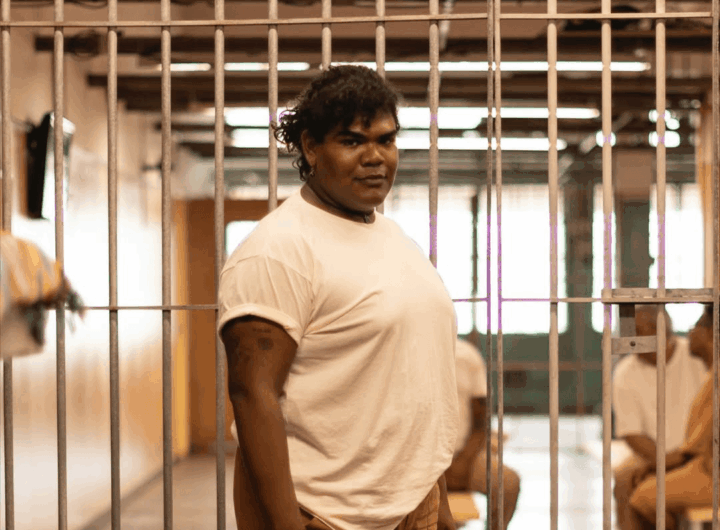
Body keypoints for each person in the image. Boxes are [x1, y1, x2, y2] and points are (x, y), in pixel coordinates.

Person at [217, 65, 459, 530]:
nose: (375, 157)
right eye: (352, 141)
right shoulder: (278, 250)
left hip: (411, 505)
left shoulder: (396, 240)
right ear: (311, 147)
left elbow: (414, 380)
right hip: (326, 513)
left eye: (386, 140)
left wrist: (436, 499)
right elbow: (253, 395)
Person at [612, 305, 707, 530]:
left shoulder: (697, 357)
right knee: (625, 479)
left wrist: (683, 457)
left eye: (637, 332)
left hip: (699, 452)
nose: (630, 339)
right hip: (652, 454)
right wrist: (663, 461)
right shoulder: (625, 372)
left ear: (661, 331)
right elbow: (632, 434)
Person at [444, 336, 520, 530]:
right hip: (420, 460)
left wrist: (462, 462)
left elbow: (481, 420)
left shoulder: (466, 355)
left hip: (462, 454)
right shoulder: (406, 351)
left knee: (508, 483)